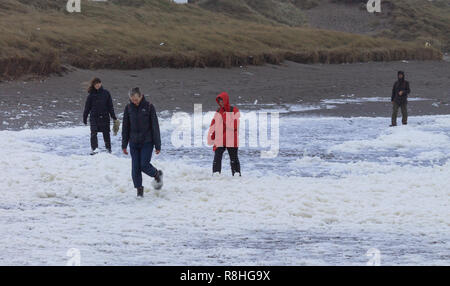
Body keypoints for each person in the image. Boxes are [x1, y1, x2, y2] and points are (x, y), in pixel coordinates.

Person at [122, 87, 163, 197]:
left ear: (141, 96)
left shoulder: (149, 107)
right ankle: (139, 190)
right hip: (134, 142)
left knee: (144, 165)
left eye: (136, 99)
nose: (134, 102)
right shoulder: (128, 108)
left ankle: (156, 174)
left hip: (147, 142)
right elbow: (125, 127)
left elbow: (155, 126)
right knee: (135, 167)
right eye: (132, 99)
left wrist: (157, 145)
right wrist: (124, 144)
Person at [208, 92, 241, 176]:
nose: (221, 103)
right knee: (217, 158)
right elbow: (214, 123)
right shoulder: (218, 111)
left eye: (222, 101)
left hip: (231, 139)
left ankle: (237, 175)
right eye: (219, 101)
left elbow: (235, 126)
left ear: (226, 100)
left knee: (234, 159)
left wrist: (225, 117)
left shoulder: (234, 110)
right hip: (220, 138)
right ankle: (216, 174)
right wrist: (213, 134)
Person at [83, 78, 118, 154]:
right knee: (93, 133)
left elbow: (110, 106)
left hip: (104, 116)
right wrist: (84, 118)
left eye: (99, 83)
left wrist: (114, 117)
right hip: (94, 117)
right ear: (93, 85)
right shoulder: (91, 95)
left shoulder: (106, 93)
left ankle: (108, 149)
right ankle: (94, 149)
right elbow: (87, 108)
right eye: (96, 84)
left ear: (101, 83)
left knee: (106, 133)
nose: (97, 85)